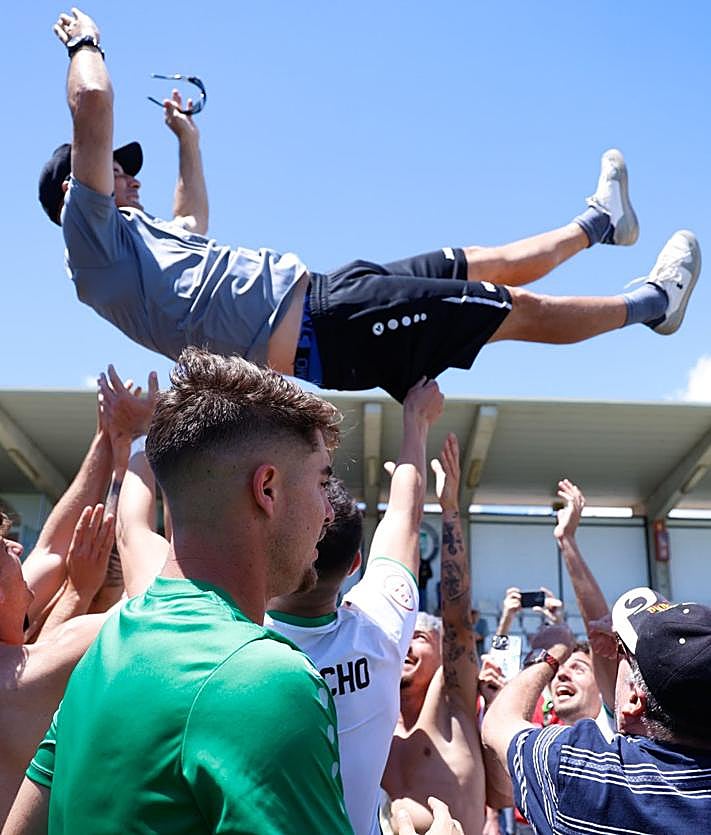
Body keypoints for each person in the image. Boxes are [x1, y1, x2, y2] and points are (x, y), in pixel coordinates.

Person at [43, 9, 701, 403]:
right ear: (76, 193)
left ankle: (601, 223)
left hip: (329, 291)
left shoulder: (137, 243)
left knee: (481, 261)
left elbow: (192, 223)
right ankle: (653, 305)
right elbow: (93, 101)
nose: (130, 179)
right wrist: (84, 44)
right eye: (116, 171)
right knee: (511, 308)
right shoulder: (92, 246)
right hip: (331, 332)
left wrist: (187, 142)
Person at [3, 348, 353, 834]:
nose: (329, 513)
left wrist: (138, 442)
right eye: (321, 483)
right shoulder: (267, 679)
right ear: (267, 490)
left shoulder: (104, 650)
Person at [267, 379, 443, 835]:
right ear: (355, 564)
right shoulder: (381, 628)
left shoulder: (238, 640)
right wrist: (416, 423)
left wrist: (136, 445)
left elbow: (136, 535)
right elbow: (405, 515)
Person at [481, 587, 711, 834]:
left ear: (633, 700)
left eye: (622, 652)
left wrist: (548, 653)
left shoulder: (582, 772)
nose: (563, 674)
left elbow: (500, 724)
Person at [383, 434, 507, 834]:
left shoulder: (454, 700)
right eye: (402, 637)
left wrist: (450, 510)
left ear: (443, 653)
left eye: (418, 638)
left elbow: (456, 620)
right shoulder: (372, 706)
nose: (405, 646)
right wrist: (403, 507)